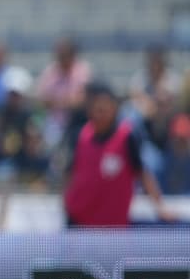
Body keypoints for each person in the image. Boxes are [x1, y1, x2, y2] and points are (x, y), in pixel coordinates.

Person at [63, 83, 175, 227]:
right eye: (96, 110)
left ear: (114, 110)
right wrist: (65, 203)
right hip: (79, 220)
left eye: (104, 110)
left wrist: (160, 207)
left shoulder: (126, 137)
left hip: (112, 226)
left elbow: (143, 174)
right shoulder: (80, 136)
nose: (100, 115)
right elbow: (70, 174)